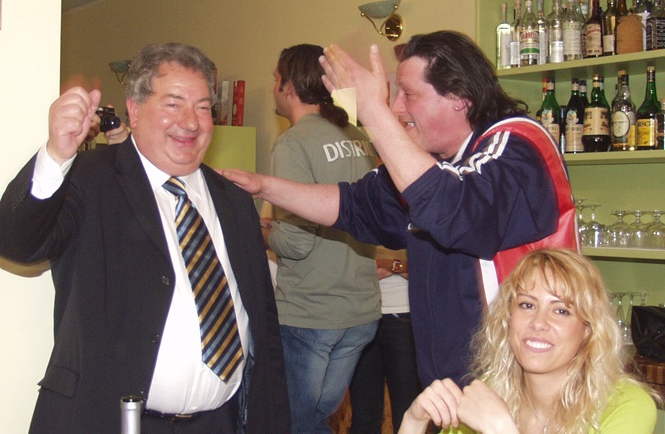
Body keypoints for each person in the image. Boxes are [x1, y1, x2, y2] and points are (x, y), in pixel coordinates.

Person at [221, 31, 579, 387]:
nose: (396, 108)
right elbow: (352, 205)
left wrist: (372, 112)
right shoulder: (431, 163)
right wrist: (265, 187)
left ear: (459, 97)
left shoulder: (516, 146)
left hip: (519, 385)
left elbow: (455, 210)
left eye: (408, 94)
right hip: (454, 387)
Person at [0, 42, 289, 434]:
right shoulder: (89, 179)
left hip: (220, 423)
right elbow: (15, 243)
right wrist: (56, 155)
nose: (191, 122)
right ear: (134, 109)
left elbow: (262, 328)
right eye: (173, 104)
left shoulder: (233, 201)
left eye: (202, 107)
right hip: (112, 421)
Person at [399, 248, 661, 434]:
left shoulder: (626, 405)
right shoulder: (488, 394)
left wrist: (501, 429)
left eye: (561, 311)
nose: (538, 322)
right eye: (527, 305)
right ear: (507, 318)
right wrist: (413, 421)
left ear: (588, 330)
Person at [263, 43, 381, 433]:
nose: (273, 88)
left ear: (290, 85)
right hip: (361, 312)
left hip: (311, 313)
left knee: (292, 424)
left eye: (276, 79)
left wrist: (262, 233)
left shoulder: (293, 143)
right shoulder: (358, 135)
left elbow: (296, 243)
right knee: (315, 422)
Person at [349, 246, 422, 434]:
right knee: (363, 418)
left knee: (408, 413)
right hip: (360, 316)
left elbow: (428, 266)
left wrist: (394, 265)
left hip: (405, 314)